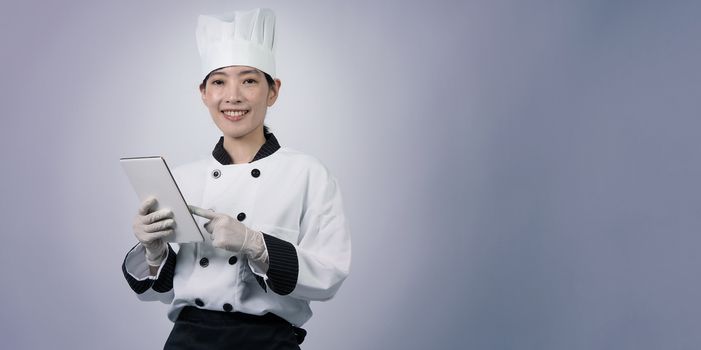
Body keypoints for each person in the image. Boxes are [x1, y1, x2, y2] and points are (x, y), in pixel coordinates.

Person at [121, 8, 351, 349]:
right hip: (186, 341)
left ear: (273, 91)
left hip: (267, 341)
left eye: (249, 80)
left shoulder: (308, 174)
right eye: (218, 82)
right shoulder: (182, 179)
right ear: (203, 93)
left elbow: (329, 275)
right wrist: (153, 252)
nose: (233, 96)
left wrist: (256, 245)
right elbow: (164, 292)